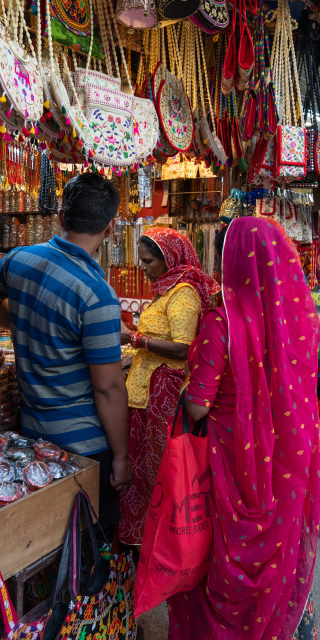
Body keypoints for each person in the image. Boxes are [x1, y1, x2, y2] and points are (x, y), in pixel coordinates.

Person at [167, 217, 320, 640]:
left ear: (231, 259)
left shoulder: (222, 323)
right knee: (280, 557)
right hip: (286, 462)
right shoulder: (299, 317)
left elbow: (196, 406)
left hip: (231, 463)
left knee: (225, 566)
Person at [0, 173, 134, 531]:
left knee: (44, 539)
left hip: (32, 436)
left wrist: (26, 324)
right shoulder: (97, 294)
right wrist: (121, 457)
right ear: (110, 227)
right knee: (88, 544)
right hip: (84, 448)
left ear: (61, 217)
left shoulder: (19, 260)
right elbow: (108, 388)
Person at [119, 228, 219, 545]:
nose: (143, 268)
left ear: (168, 259)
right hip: (147, 393)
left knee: (158, 472)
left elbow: (184, 348)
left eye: (148, 261)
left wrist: (132, 338)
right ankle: (144, 540)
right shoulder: (166, 291)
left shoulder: (183, 294)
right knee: (145, 471)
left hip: (163, 396)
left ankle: (163, 545)